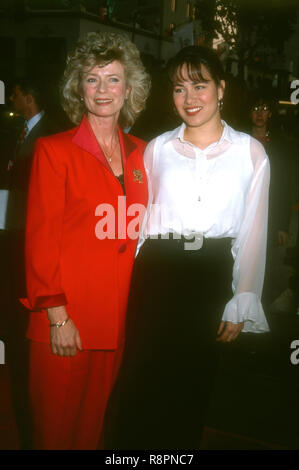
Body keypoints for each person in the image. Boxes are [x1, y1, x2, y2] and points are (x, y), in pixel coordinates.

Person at [104, 45, 270, 449]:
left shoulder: (251, 152)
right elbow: (141, 224)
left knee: (193, 384)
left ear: (221, 88)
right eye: (179, 89)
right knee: (141, 381)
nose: (190, 98)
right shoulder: (157, 149)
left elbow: (253, 231)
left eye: (200, 85)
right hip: (157, 273)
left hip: (209, 275)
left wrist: (242, 296)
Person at [20, 31, 150, 450]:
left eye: (113, 79)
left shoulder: (144, 155)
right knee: (55, 435)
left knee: (92, 435)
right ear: (78, 87)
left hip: (116, 325)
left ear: (129, 88)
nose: (103, 89)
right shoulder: (53, 151)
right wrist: (57, 317)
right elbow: (40, 243)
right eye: (92, 79)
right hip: (66, 324)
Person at [248, 91, 294, 312]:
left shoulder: (280, 146)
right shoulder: (240, 141)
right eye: (256, 109)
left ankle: (261, 308)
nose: (260, 114)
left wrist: (282, 225)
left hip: (269, 215)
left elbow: (283, 187)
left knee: (264, 265)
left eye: (265, 109)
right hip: (243, 213)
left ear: (271, 114)